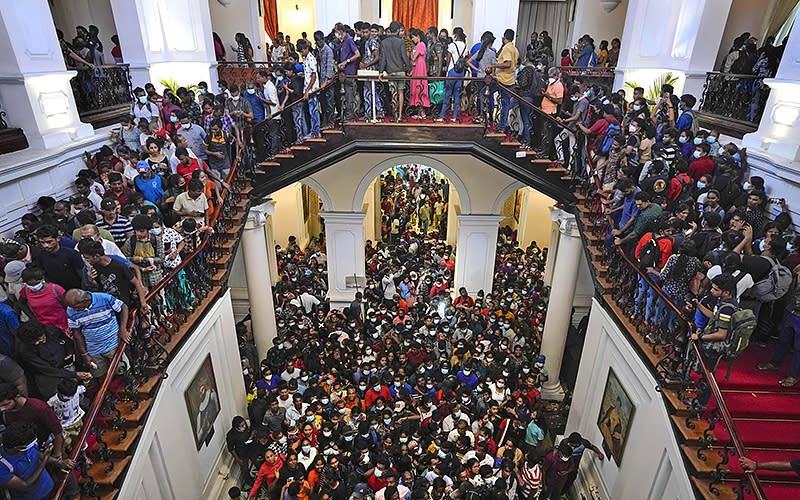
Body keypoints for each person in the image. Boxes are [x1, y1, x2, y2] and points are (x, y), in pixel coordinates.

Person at [65, 289, 130, 378]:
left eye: (76, 307)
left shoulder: (103, 298)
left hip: (113, 344)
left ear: (85, 301)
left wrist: (123, 329)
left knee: (121, 370)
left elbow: (123, 307)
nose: (74, 310)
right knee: (99, 375)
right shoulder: (71, 310)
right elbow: (77, 333)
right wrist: (85, 354)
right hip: (93, 349)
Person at [437, 27, 468, 123]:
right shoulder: (465, 45)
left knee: (448, 94)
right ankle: (454, 116)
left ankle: (442, 116)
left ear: (455, 35)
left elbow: (448, 59)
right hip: (461, 72)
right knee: (457, 94)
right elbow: (466, 58)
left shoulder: (452, 45)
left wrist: (446, 70)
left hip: (452, 71)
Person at [298, 39, 321, 138]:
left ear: (306, 49)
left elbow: (314, 75)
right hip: (308, 88)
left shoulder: (311, 58)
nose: (301, 53)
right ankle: (314, 131)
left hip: (312, 90)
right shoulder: (306, 58)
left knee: (314, 111)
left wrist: (307, 90)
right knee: (312, 111)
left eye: (302, 51)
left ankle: (316, 131)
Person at [408, 29, 430, 120]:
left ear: (418, 36)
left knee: (419, 88)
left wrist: (408, 53)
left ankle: (422, 113)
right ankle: (420, 112)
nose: (412, 39)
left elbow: (413, 58)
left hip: (419, 69)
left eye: (413, 37)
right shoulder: (421, 45)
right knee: (417, 88)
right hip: (418, 68)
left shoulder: (420, 45)